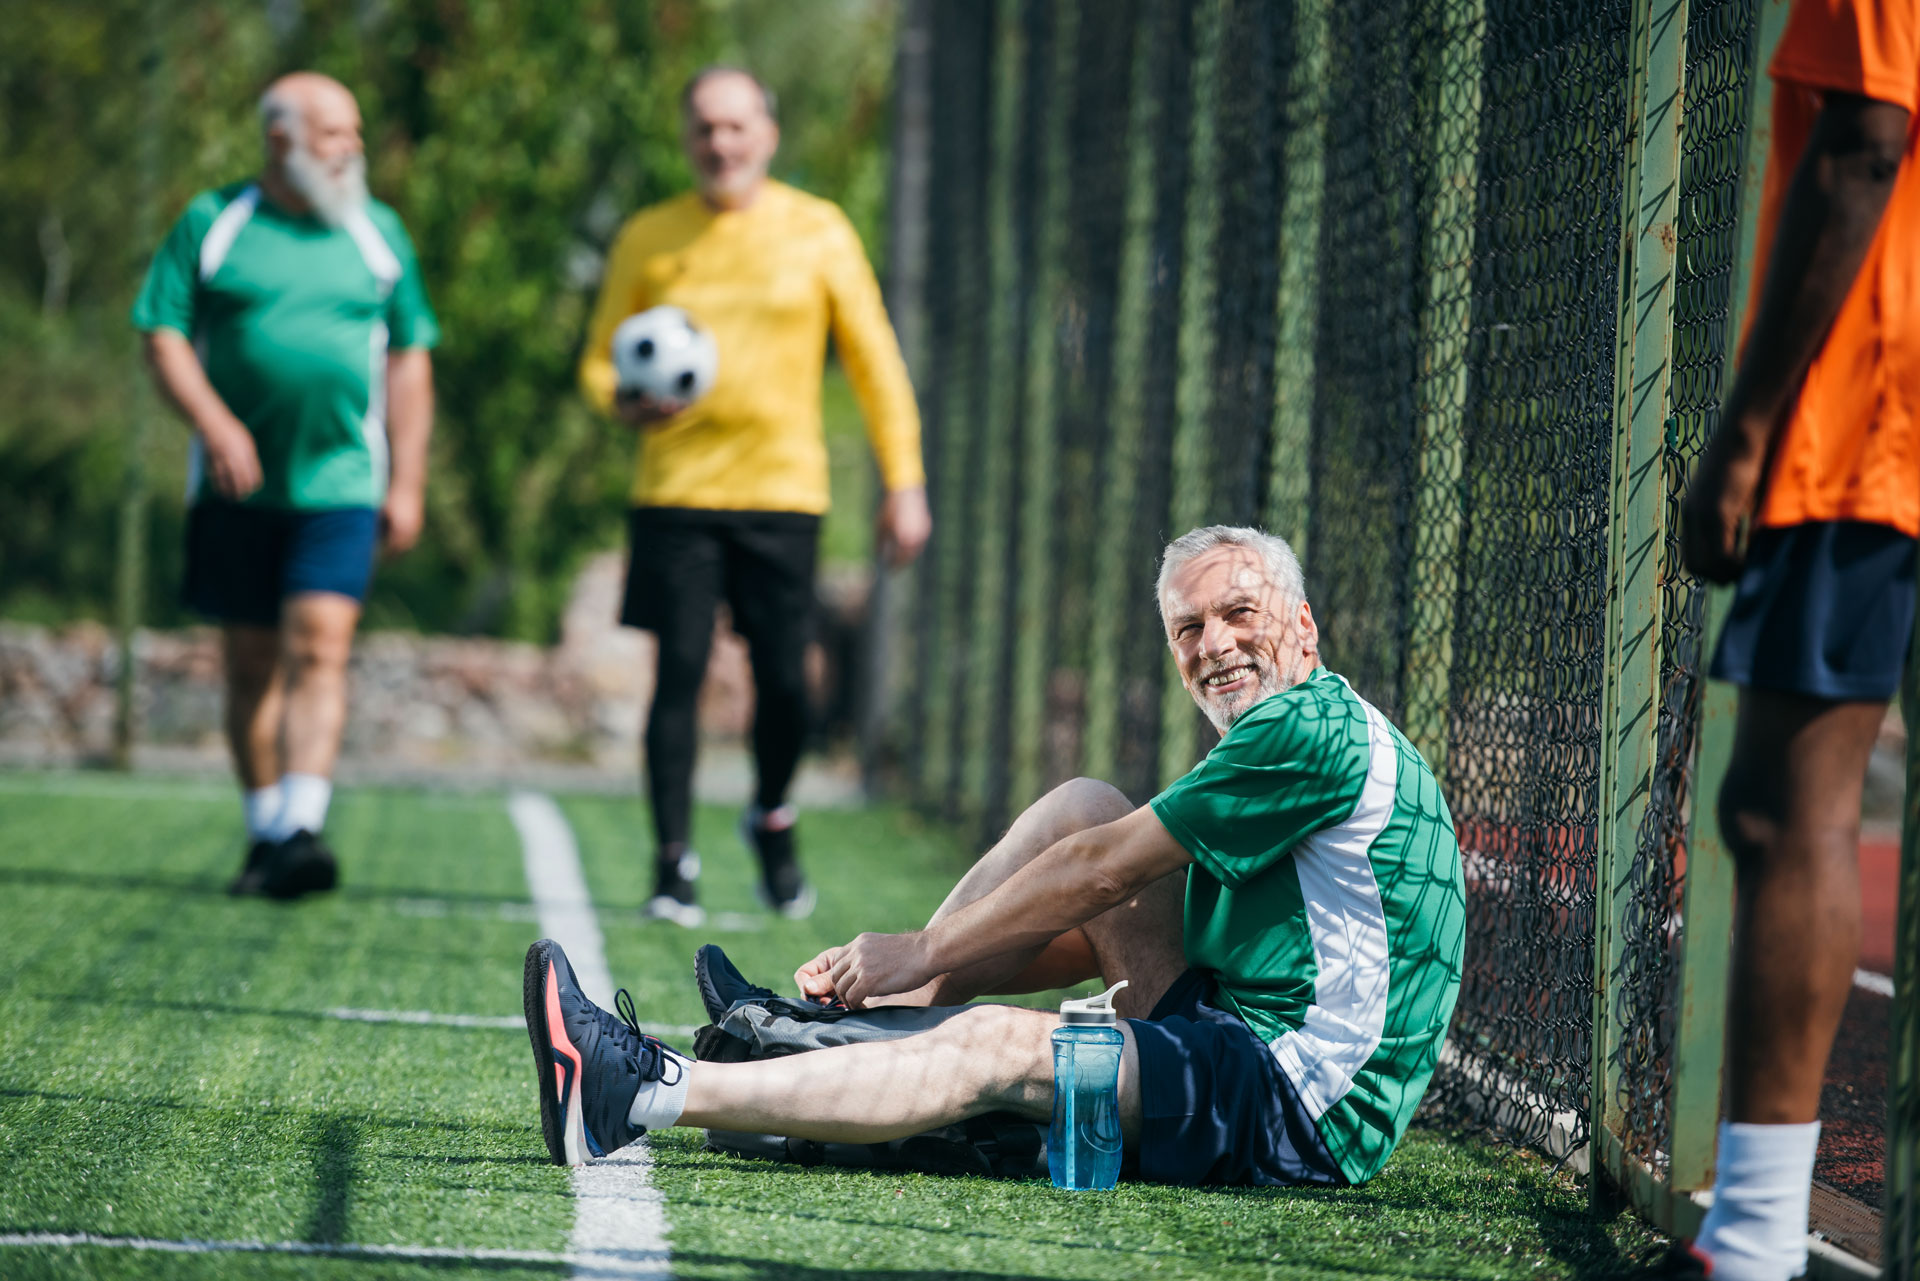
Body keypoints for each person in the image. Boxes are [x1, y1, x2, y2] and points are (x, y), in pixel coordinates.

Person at [522, 526, 1466, 1188]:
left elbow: (1105, 873)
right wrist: (916, 976)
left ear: (1303, 628)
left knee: (998, 1046)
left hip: (1296, 1103)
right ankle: (836, 1027)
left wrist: (924, 952)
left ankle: (637, 1090)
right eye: (1189, 627)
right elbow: (1089, 913)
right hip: (1241, 1032)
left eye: (1240, 613)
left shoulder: (1306, 735)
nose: (1215, 644)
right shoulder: (1296, 727)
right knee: (1082, 806)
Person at [1668, 2, 1917, 1278]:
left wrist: (1751, 426)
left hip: (1876, 408)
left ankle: (1753, 1243)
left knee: (1784, 807)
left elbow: (1866, 140)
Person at [577, 66, 931, 927]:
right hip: (676, 494)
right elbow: (596, 363)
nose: (720, 143)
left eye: (736, 127)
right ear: (685, 137)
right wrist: (624, 401)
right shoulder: (648, 238)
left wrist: (905, 478)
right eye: (704, 127)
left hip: (783, 494)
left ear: (768, 135)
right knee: (680, 674)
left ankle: (771, 814)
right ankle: (672, 863)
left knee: (785, 684)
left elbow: (875, 360)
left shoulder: (820, 231)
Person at [132, 73, 439, 898]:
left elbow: (411, 356)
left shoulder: (378, 233)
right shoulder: (214, 221)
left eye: (355, 133)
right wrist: (215, 422)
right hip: (237, 493)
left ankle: (302, 824)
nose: (353, 150)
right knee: (250, 664)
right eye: (336, 134)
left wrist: (407, 480)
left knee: (319, 648)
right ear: (282, 142)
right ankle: (267, 829)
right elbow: (162, 333)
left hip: (342, 485)